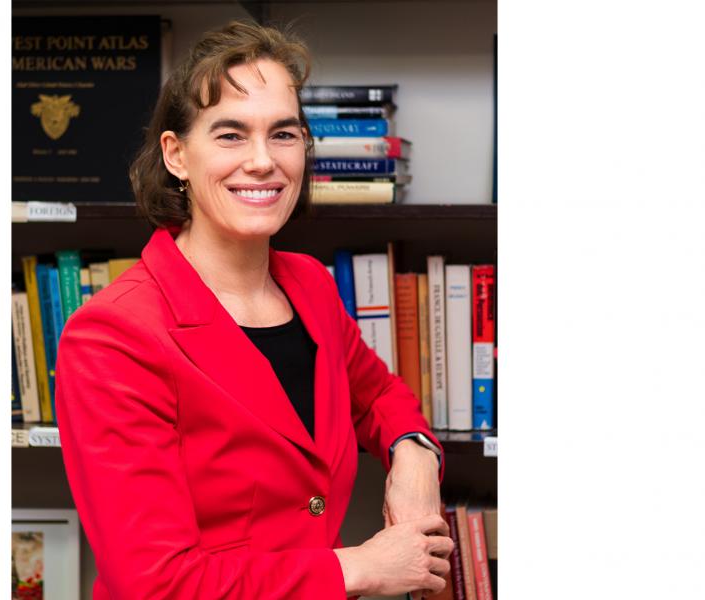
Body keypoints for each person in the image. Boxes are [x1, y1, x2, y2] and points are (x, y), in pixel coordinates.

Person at [55, 20, 454, 599]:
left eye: (283, 134)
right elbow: (157, 585)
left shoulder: (310, 285)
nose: (264, 161)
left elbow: (379, 395)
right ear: (176, 155)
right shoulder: (113, 336)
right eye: (231, 135)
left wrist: (414, 456)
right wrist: (359, 568)